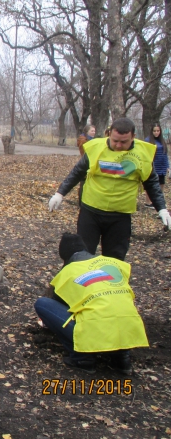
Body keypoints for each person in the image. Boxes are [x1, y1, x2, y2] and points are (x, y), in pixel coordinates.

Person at [48, 117, 171, 261]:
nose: (118, 145)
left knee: (114, 259)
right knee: (83, 256)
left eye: (123, 141)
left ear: (133, 137)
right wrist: (60, 193)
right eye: (115, 140)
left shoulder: (142, 154)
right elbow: (77, 172)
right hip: (91, 211)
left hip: (120, 215)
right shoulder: (96, 148)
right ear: (109, 134)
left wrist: (161, 208)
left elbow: (151, 183)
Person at [34, 233, 148, 374]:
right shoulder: (114, 264)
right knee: (117, 305)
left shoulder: (68, 272)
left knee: (42, 304)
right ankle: (122, 358)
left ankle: (82, 358)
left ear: (65, 256)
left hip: (95, 330)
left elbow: (58, 303)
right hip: (128, 329)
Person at [144, 123, 168, 208]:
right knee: (151, 184)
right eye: (154, 131)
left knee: (161, 184)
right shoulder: (148, 140)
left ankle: (159, 201)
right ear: (152, 131)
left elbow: (165, 154)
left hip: (162, 166)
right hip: (153, 166)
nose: (156, 132)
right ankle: (148, 202)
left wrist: (167, 166)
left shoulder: (162, 141)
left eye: (158, 131)